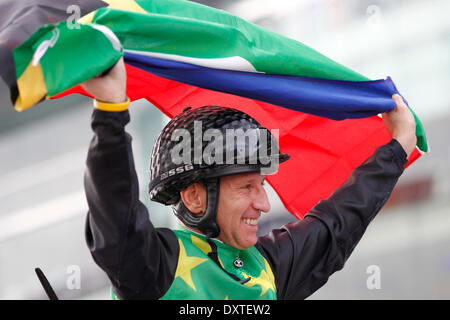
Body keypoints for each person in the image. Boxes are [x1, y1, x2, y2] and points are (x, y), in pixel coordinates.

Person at [81, 57, 417, 300]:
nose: (264, 203)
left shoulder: (267, 266)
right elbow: (116, 217)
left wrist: (397, 149)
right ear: (194, 197)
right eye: (246, 187)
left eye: (262, 185)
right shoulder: (152, 268)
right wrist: (110, 111)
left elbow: (338, 221)